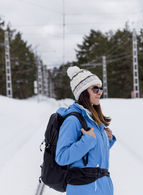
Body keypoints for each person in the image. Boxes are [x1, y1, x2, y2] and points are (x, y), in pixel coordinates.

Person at [55, 66, 116, 195]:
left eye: (100, 88)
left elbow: (90, 156)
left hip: (102, 188)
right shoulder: (73, 120)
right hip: (84, 190)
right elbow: (61, 157)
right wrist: (87, 141)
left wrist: (107, 140)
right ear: (82, 92)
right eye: (95, 89)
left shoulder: (93, 119)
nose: (100, 92)